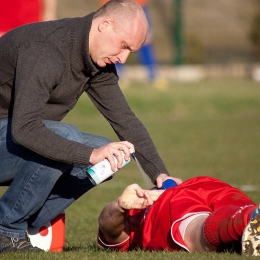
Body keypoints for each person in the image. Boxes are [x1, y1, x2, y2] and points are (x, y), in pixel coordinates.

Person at [0, 0, 180, 252]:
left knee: (111, 157)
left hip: (12, 142)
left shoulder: (97, 62)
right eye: (124, 46)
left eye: (131, 52)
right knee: (70, 138)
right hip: (13, 135)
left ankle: (28, 221)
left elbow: (125, 120)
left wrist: (160, 175)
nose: (124, 59)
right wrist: (90, 155)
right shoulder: (46, 49)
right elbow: (25, 129)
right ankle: (6, 230)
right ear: (105, 24)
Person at [98, 176, 260, 256]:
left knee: (195, 230)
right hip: (205, 188)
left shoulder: (146, 203)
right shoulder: (130, 216)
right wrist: (119, 205)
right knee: (244, 213)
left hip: (183, 197)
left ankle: (245, 222)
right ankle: (247, 220)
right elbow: (108, 228)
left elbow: (108, 229)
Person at [100, 0, 157, 83]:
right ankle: (117, 75)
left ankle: (152, 75)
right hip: (116, 6)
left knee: (145, 41)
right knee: (117, 41)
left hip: (139, 5)